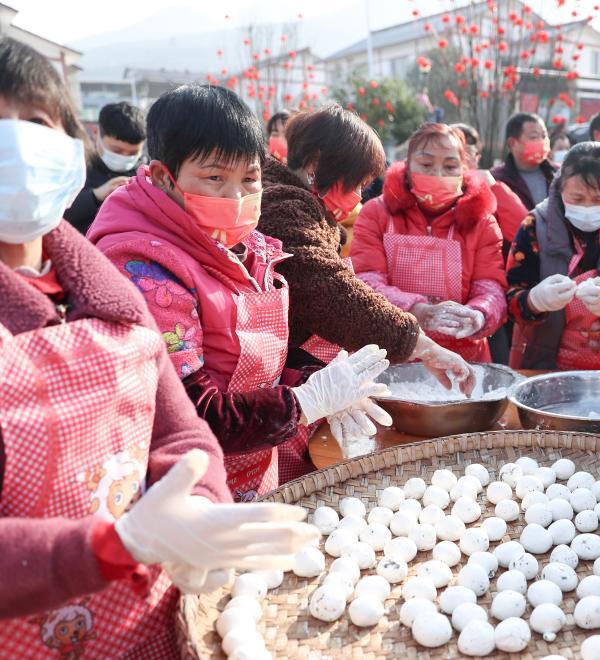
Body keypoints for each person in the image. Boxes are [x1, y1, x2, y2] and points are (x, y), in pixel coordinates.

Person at [0, 38, 317, 655]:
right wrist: (114, 544)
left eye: (33, 123)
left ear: (70, 144)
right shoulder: (143, 263)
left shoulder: (103, 288)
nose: (12, 145)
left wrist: (197, 505)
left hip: (148, 621)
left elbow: (177, 432)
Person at [88, 85, 387, 502]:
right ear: (163, 177)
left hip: (251, 469)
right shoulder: (142, 266)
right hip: (183, 491)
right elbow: (189, 413)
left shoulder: (244, 245)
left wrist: (316, 381)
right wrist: (303, 402)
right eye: (214, 178)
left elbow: (258, 360)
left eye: (249, 178)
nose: (236, 197)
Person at [259, 105, 475, 406]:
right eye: (358, 183)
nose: (360, 197)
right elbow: (331, 292)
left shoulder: (296, 202)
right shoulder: (285, 207)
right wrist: (420, 344)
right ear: (317, 163)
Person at [350, 123, 507, 363]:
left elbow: (491, 287)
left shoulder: (482, 222)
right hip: (391, 355)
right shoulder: (377, 213)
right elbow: (366, 281)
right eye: (426, 165)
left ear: (463, 170)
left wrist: (479, 315)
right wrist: (418, 311)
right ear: (408, 168)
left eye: (450, 166)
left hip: (463, 359)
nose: (438, 174)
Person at [506, 141, 600, 371]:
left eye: (599, 199)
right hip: (542, 365)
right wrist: (534, 300)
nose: (588, 207)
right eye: (577, 199)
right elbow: (510, 298)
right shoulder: (534, 226)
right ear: (560, 187)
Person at [452, 122, 527, 366]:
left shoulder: (491, 186)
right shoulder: (424, 193)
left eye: (467, 151)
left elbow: (523, 227)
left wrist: (492, 186)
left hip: (489, 300)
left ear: (476, 156)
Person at [65, 101, 146, 234]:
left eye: (133, 153)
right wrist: (95, 196)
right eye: (116, 150)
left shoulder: (145, 174)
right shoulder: (75, 166)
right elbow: (58, 214)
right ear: (96, 133)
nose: (124, 157)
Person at [490, 112, 556, 211]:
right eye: (534, 137)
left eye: (544, 136)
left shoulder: (559, 174)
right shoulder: (497, 179)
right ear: (513, 143)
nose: (542, 141)